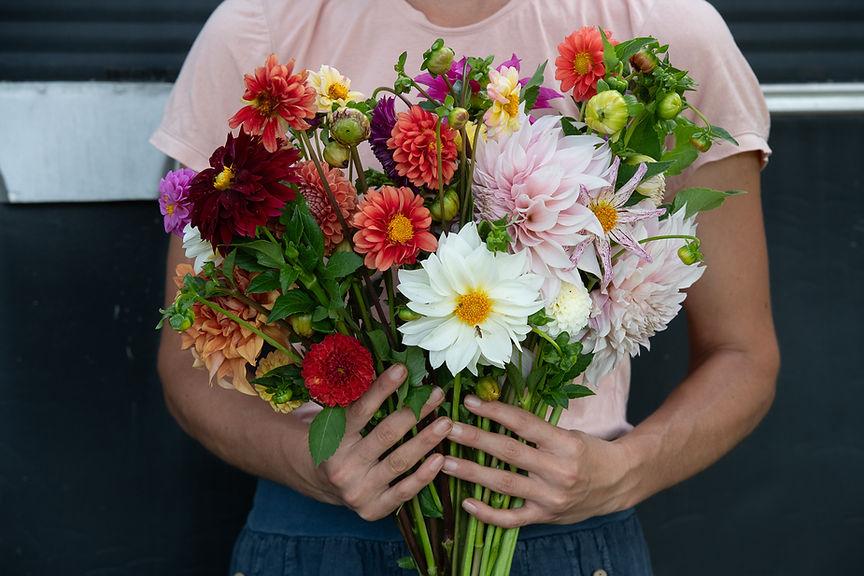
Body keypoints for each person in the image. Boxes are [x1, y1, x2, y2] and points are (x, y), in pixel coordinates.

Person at [151, 0, 779, 574]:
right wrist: (305, 461)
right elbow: (189, 357)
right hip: (321, 533)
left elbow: (743, 354)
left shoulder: (663, 27)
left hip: (563, 531)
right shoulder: (260, 25)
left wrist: (622, 472)